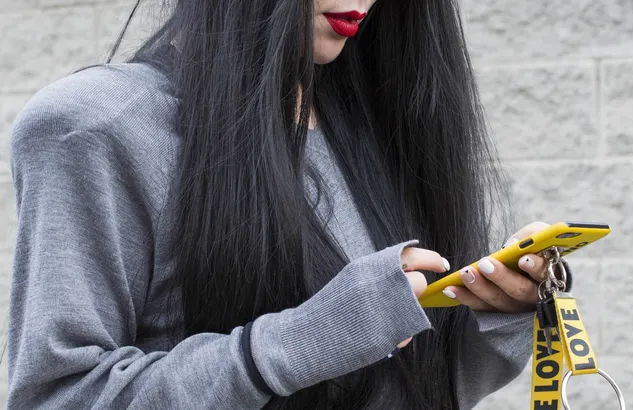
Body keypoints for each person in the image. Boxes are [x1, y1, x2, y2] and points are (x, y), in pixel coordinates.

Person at [6, 0, 558, 409]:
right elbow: (60, 397)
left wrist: (500, 312)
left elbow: (411, 390)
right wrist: (302, 342)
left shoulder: (376, 124)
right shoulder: (97, 125)